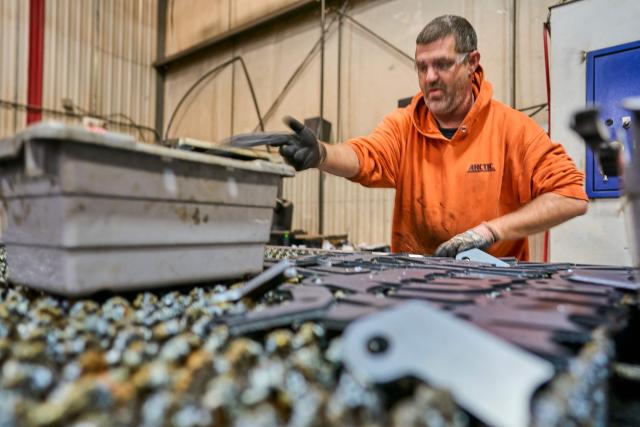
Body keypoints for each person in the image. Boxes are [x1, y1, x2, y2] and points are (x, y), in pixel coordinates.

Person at [278, 15, 587, 260]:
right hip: (417, 282)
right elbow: (366, 156)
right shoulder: (403, 126)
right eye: (422, 66)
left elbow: (570, 196)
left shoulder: (512, 129)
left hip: (494, 287)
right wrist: (321, 153)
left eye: (441, 64)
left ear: (472, 62)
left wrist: (491, 231)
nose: (429, 78)